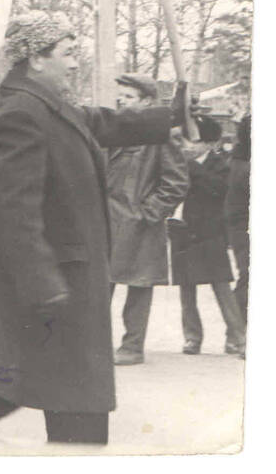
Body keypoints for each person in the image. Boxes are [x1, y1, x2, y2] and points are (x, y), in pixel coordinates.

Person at [0, 11, 181, 445]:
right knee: (60, 396)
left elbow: (107, 123)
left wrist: (172, 115)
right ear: (36, 59)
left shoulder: (49, 106)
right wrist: (42, 284)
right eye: (69, 53)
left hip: (63, 286)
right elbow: (11, 211)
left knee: (19, 386)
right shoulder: (21, 113)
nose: (76, 63)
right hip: (57, 289)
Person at [107, 73, 188, 366]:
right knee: (97, 287)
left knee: (138, 287)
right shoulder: (112, 129)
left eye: (128, 97)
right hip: (105, 221)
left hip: (138, 224)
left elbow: (176, 183)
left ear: (146, 102)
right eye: (121, 95)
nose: (121, 101)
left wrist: (147, 213)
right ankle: (92, 346)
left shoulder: (161, 135)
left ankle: (132, 347)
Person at [168, 115, 246, 356]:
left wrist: (193, 168)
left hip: (209, 233)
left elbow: (218, 189)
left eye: (194, 140)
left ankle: (238, 336)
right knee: (186, 288)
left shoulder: (222, 164)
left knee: (220, 285)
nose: (187, 145)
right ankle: (192, 337)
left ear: (211, 144)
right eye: (184, 140)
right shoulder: (177, 162)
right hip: (182, 230)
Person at [225, 113, 250, 324]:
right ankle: (238, 329)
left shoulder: (237, 161)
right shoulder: (245, 165)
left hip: (239, 226)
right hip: (244, 226)